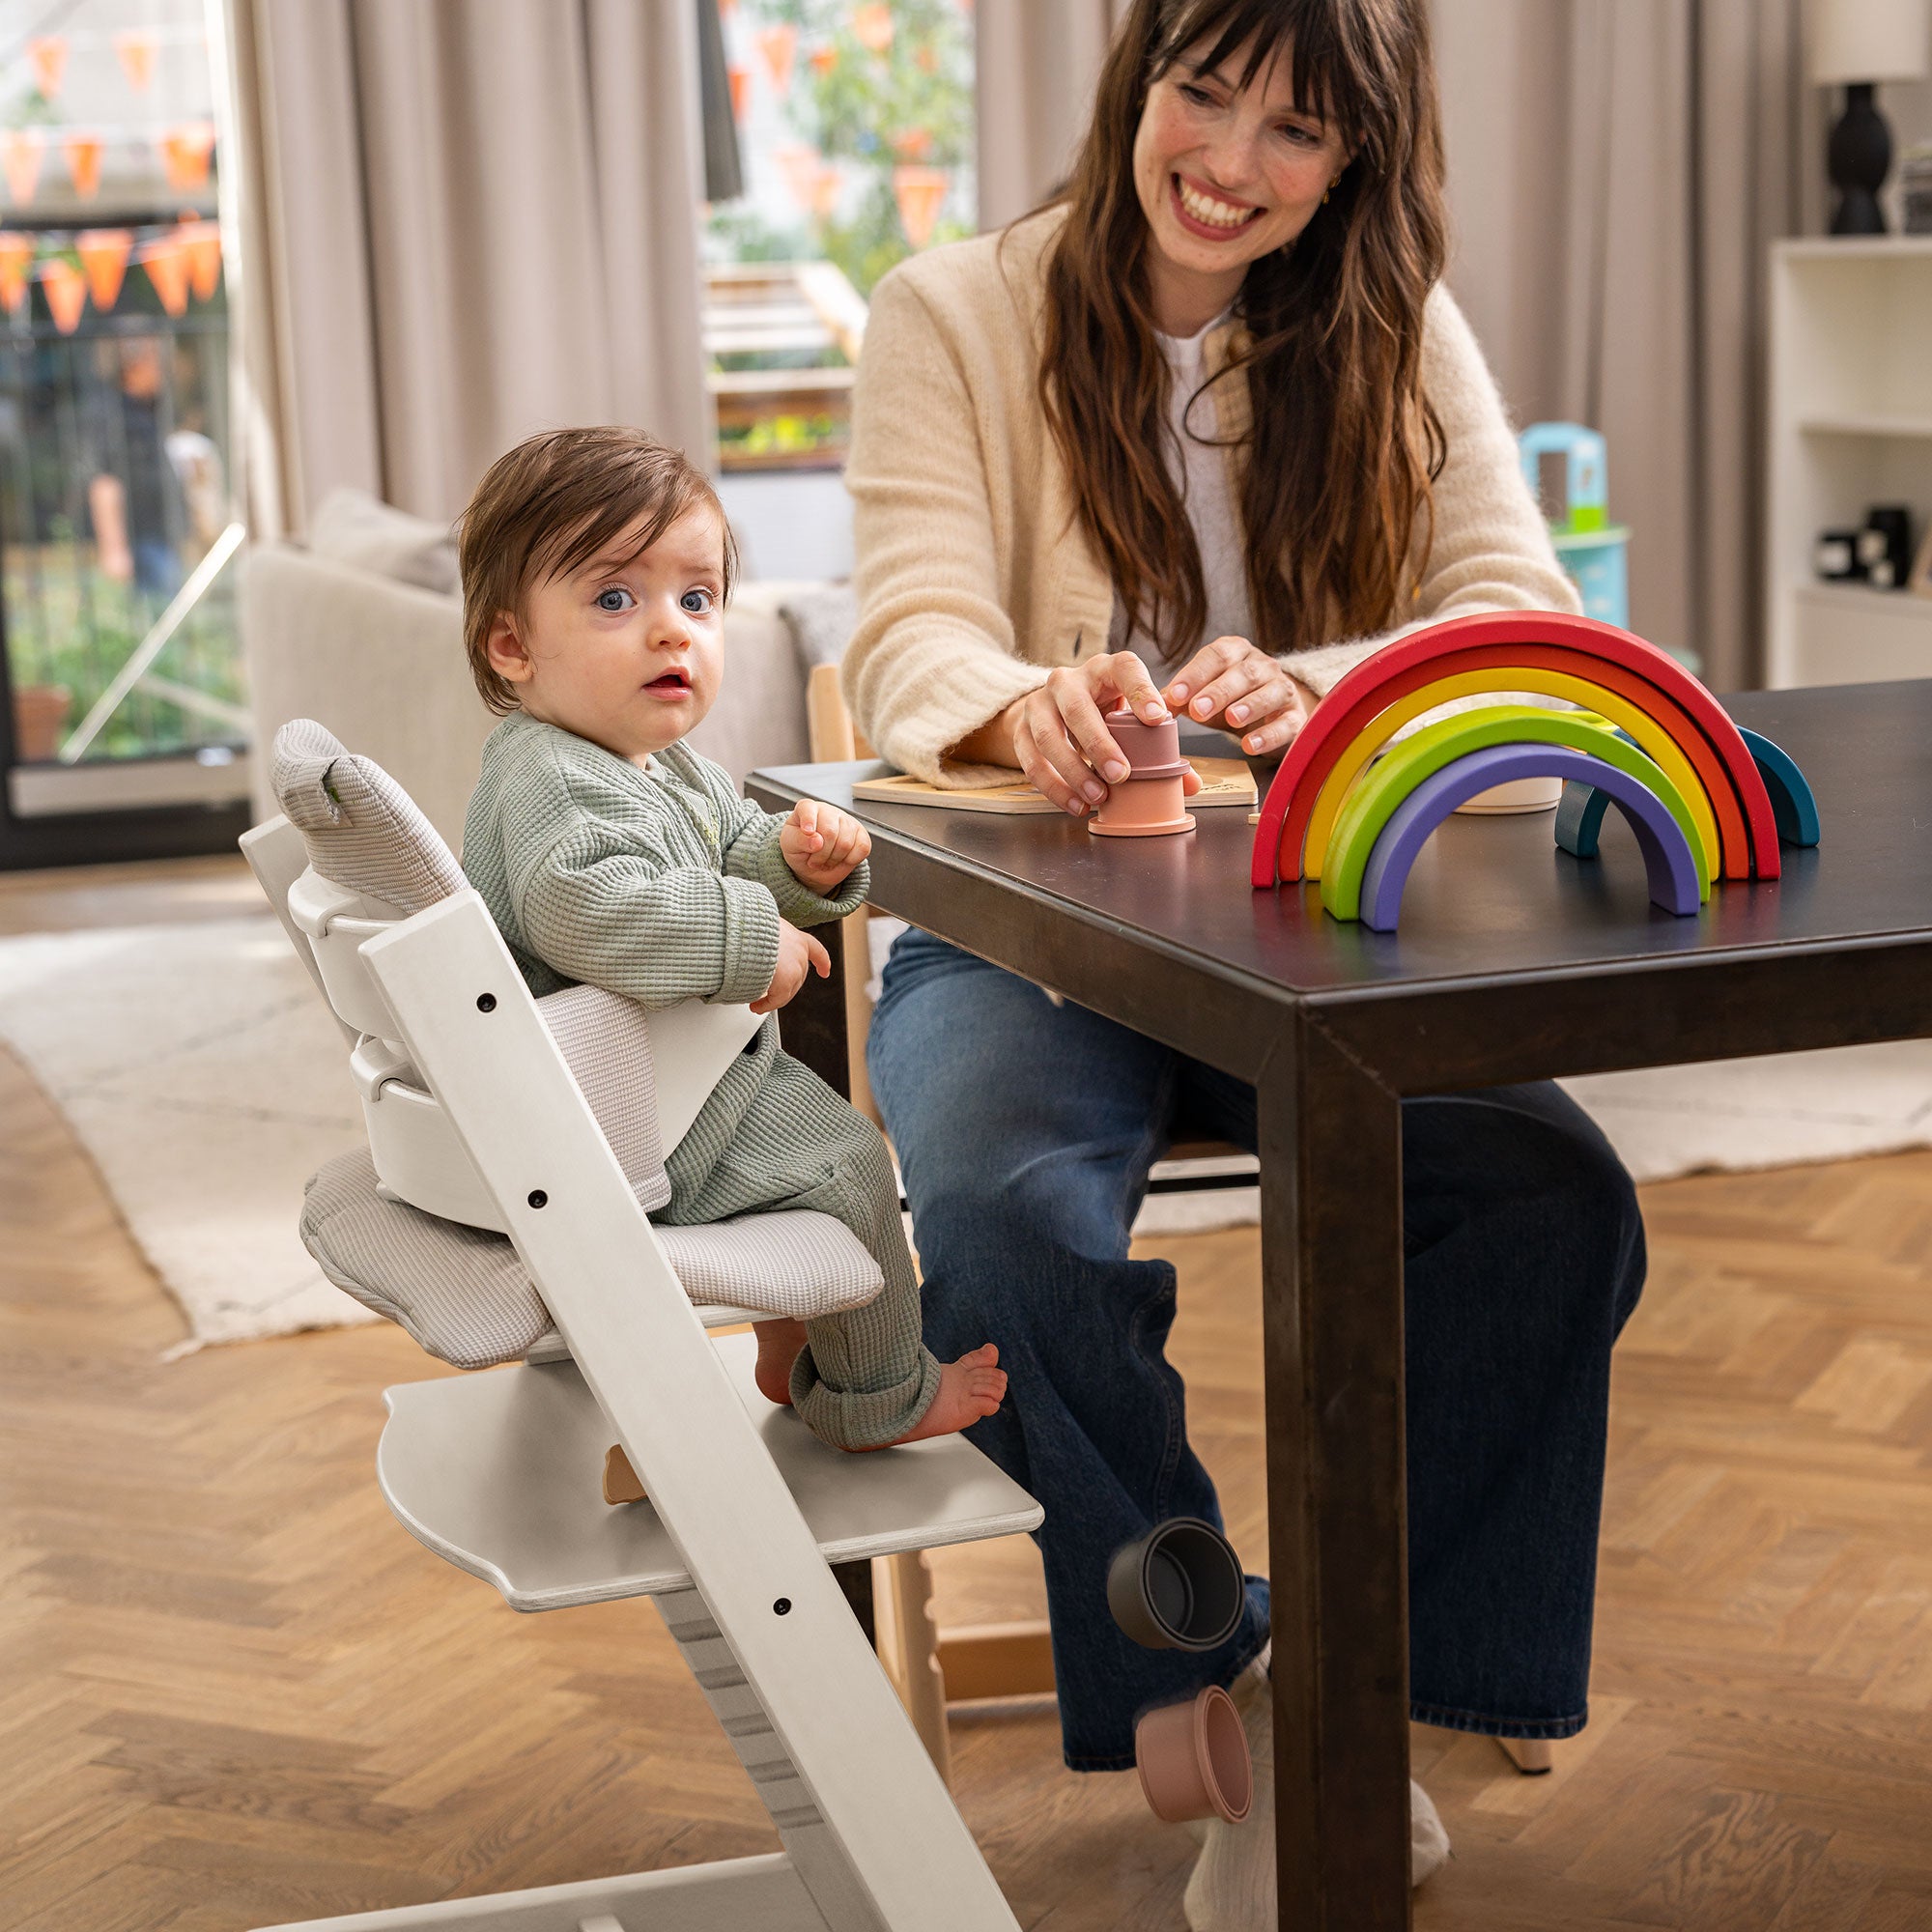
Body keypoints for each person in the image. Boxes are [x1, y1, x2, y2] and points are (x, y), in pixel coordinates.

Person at [843, 1, 1646, 1924]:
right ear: (1134, 85)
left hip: (1310, 934)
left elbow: (1514, 611)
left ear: (1356, 157)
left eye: (1297, 129)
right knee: (1005, 1232)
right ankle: (1213, 1658)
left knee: (1552, 1195)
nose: (1232, 159)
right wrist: (1024, 705)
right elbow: (905, 634)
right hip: (1026, 927)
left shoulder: (1395, 326)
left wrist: (1323, 684)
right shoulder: (946, 309)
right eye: (1202, 93)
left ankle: (1351, 1718)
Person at [457, 425, 1007, 1451]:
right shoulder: (554, 779)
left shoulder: (654, 764)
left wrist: (794, 866)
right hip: (628, 1117)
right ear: (512, 645)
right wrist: (753, 936)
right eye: (616, 598)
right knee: (845, 1161)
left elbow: (728, 849)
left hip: (655, 1087)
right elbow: (582, 903)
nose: (671, 631)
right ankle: (875, 1394)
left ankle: (790, 1341)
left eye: (696, 598)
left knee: (802, 1127)